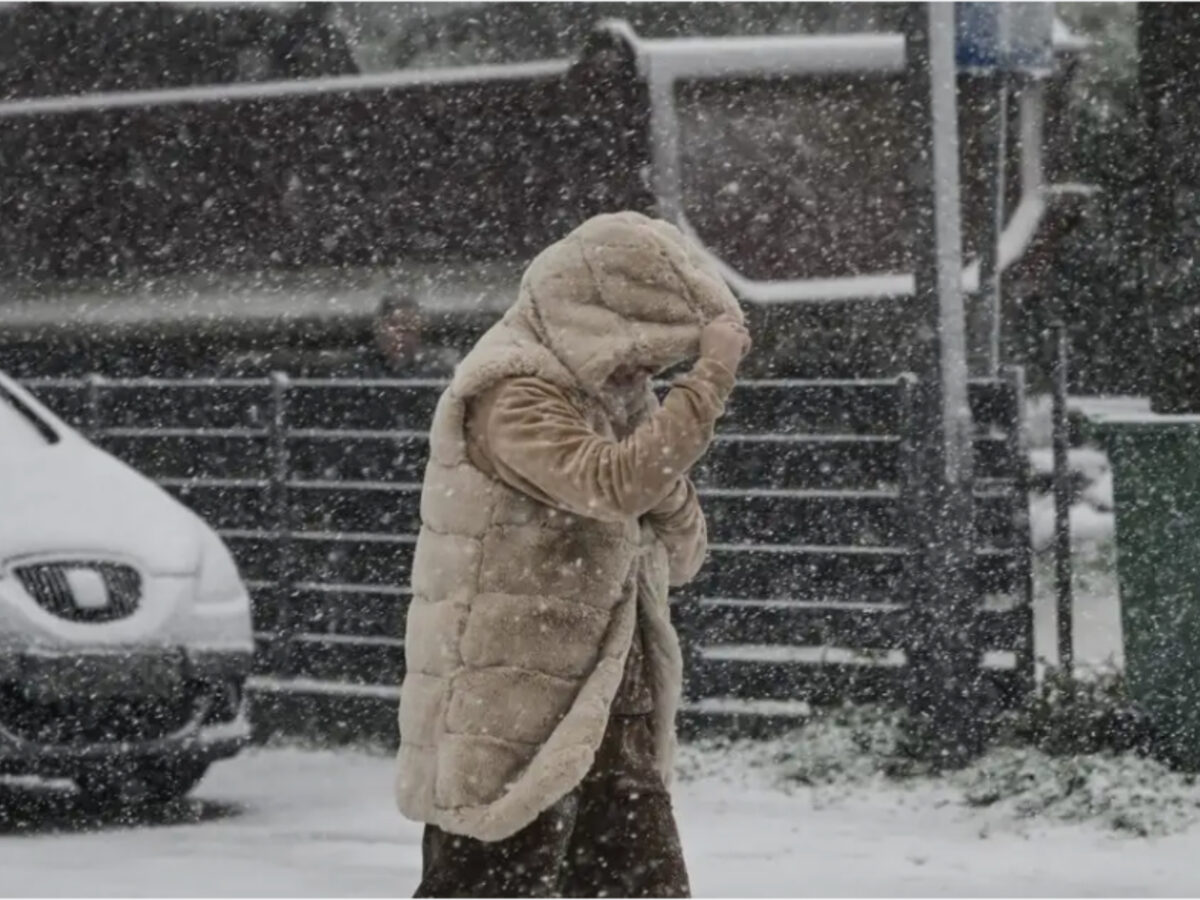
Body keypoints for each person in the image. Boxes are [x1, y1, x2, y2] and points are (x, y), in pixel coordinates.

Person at [395, 211, 751, 898]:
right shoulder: (511, 392)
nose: (646, 370)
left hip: (610, 702)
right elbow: (610, 483)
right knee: (490, 886)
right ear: (601, 314)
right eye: (644, 348)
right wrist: (707, 385)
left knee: (645, 889)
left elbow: (682, 547)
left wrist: (658, 473)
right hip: (511, 717)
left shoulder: (613, 399)